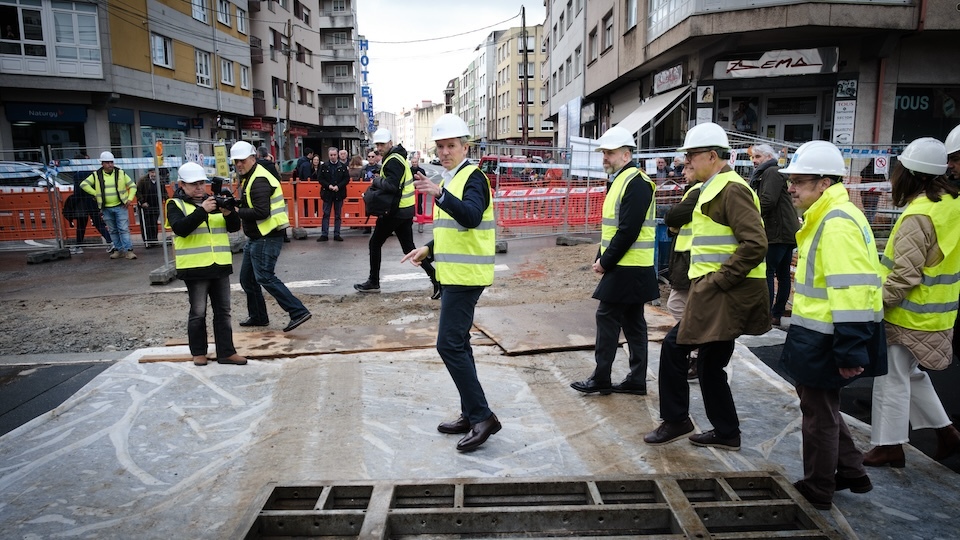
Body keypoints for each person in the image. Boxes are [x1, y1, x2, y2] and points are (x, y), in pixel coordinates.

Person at [643, 122, 770, 451]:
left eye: (692, 156)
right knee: (710, 364)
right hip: (717, 291)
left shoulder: (731, 189)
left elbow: (755, 243)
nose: (687, 162)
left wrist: (718, 280)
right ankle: (726, 431)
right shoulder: (714, 188)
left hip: (723, 293)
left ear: (713, 156)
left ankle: (677, 420)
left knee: (675, 348)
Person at [778, 140, 887, 510]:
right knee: (821, 407)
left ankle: (818, 487)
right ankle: (853, 471)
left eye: (799, 181)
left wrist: (850, 349)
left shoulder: (836, 223)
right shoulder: (830, 214)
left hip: (828, 337)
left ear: (824, 183)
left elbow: (851, 292)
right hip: (822, 334)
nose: (791, 187)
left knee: (818, 416)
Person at [401, 114, 500, 452]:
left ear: (465, 147)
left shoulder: (473, 178)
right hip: (455, 274)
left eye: (451, 146)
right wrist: (427, 248)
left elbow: (471, 217)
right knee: (459, 344)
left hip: (466, 277)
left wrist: (439, 193)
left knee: (449, 345)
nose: (444, 152)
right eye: (440, 147)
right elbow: (452, 231)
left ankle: (483, 417)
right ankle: (472, 413)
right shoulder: (453, 178)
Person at [864, 137, 960, 468]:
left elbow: (904, 277)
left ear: (912, 175)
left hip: (907, 315)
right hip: (937, 313)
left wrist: (873, 308)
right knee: (910, 372)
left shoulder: (918, 216)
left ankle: (889, 446)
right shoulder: (952, 203)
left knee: (890, 376)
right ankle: (946, 431)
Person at [569, 126, 659, 397]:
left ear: (626, 154)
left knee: (607, 316)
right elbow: (613, 228)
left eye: (608, 153)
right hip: (629, 264)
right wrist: (601, 256)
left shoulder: (636, 182)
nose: (604, 158)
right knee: (633, 321)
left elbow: (628, 230)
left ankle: (602, 377)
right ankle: (636, 379)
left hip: (629, 265)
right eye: (604, 153)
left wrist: (606, 262)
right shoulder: (622, 180)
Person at [165, 162, 247, 367]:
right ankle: (199, 352)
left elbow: (234, 227)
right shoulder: (175, 204)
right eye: (193, 184)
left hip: (219, 265)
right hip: (195, 268)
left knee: (223, 311)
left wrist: (228, 212)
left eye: (201, 183)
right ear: (181, 185)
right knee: (198, 312)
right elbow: (180, 228)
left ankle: (226, 352)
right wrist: (202, 211)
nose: (199, 187)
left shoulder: (213, 202)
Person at [230, 141, 312, 333]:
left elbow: (261, 211)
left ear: (252, 158)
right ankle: (259, 316)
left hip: (267, 235)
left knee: (265, 277)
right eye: (236, 162)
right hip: (259, 236)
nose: (239, 164)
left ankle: (298, 311)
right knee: (247, 279)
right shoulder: (251, 176)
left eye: (242, 160)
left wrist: (237, 210)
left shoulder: (258, 179)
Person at [354, 128, 440, 299]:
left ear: (390, 143)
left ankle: (373, 282)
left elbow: (392, 186)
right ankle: (437, 280)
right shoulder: (396, 157)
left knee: (375, 243)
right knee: (409, 249)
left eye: (382, 144)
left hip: (395, 211)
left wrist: (377, 180)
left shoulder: (393, 160)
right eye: (377, 144)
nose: (379, 147)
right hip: (404, 210)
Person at [749, 143, 799, 326]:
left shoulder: (771, 172)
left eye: (758, 157)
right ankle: (775, 314)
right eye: (753, 157)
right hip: (785, 230)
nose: (754, 161)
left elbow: (767, 200)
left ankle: (769, 314)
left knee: (769, 272)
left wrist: (751, 217)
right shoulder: (772, 172)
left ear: (768, 157)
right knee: (783, 273)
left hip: (777, 231)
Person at [664, 164, 702, 380]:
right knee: (684, 306)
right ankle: (696, 352)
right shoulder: (695, 190)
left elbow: (674, 216)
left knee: (678, 305)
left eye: (687, 169)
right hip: (686, 258)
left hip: (689, 259)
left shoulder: (697, 191)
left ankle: (697, 351)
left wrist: (673, 222)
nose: (683, 174)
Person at [80, 151, 138, 259]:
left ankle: (128, 251)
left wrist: (129, 199)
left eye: (111, 162)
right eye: (107, 162)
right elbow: (83, 184)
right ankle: (118, 250)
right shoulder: (96, 175)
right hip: (106, 207)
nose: (110, 164)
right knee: (113, 230)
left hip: (120, 206)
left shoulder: (120, 173)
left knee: (123, 229)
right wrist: (95, 193)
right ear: (102, 163)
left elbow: (133, 186)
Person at [66, 153, 112, 254]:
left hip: (82, 202)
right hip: (93, 200)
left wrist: (73, 203)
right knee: (98, 223)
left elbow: (78, 191)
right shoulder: (91, 172)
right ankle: (110, 241)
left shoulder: (78, 174)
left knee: (81, 225)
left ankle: (79, 246)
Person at [318, 146, 349, 242]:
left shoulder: (342, 166)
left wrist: (338, 186)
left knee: (338, 215)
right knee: (326, 214)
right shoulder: (324, 166)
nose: (333, 157)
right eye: (331, 155)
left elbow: (346, 179)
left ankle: (337, 234)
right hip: (327, 193)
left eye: (334, 155)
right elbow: (320, 178)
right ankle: (324, 234)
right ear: (328, 155)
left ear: (337, 155)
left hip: (339, 193)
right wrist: (329, 186)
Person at [136, 168, 167, 248]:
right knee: (146, 223)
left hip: (156, 205)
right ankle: (147, 241)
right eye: (152, 172)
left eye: (155, 172)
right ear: (149, 172)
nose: (154, 174)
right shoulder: (142, 180)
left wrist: (167, 200)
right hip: (145, 205)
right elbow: (138, 192)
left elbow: (164, 191)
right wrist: (142, 202)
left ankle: (154, 240)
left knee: (154, 223)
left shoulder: (160, 180)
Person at [858, 158, 885, 224]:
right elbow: (883, 180)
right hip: (874, 195)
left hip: (865, 194)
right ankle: (869, 224)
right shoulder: (879, 172)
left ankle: (866, 223)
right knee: (872, 210)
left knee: (868, 210)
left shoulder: (865, 171)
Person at [410, 151, 427, 216]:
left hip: (420, 189)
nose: (414, 163)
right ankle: (413, 214)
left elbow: (425, 179)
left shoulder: (421, 171)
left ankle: (419, 214)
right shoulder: (409, 170)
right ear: (411, 163)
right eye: (413, 162)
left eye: (415, 162)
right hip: (411, 190)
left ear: (418, 162)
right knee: (412, 202)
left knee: (419, 202)